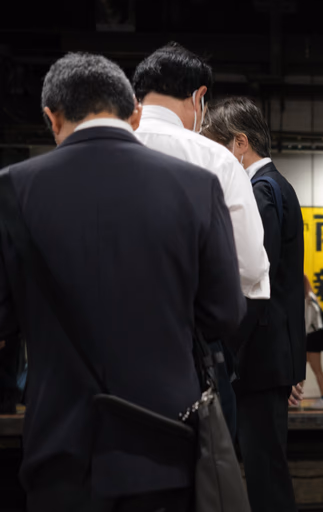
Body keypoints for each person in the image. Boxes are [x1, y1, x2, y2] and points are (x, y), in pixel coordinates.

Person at [1, 52, 244, 511]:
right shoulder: (196, 186)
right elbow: (224, 314)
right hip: (167, 445)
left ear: (51, 119)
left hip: (61, 451)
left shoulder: (12, 190)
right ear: (134, 111)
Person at [132, 43, 270, 436]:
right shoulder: (216, 160)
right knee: (202, 479)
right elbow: (250, 267)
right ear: (199, 96)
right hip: (188, 352)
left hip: (101, 357)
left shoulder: (102, 153)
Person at [201, 96, 305, 512]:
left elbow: (255, 282)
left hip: (257, 358)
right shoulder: (281, 187)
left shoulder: (261, 191)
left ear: (240, 143)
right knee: (266, 465)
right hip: (272, 355)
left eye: (219, 147)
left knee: (264, 470)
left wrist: (227, 352)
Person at [304, 274, 323, 410]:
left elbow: (309, 323)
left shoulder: (309, 299)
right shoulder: (311, 298)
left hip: (311, 338)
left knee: (316, 369)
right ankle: (296, 399)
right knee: (301, 370)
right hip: (310, 337)